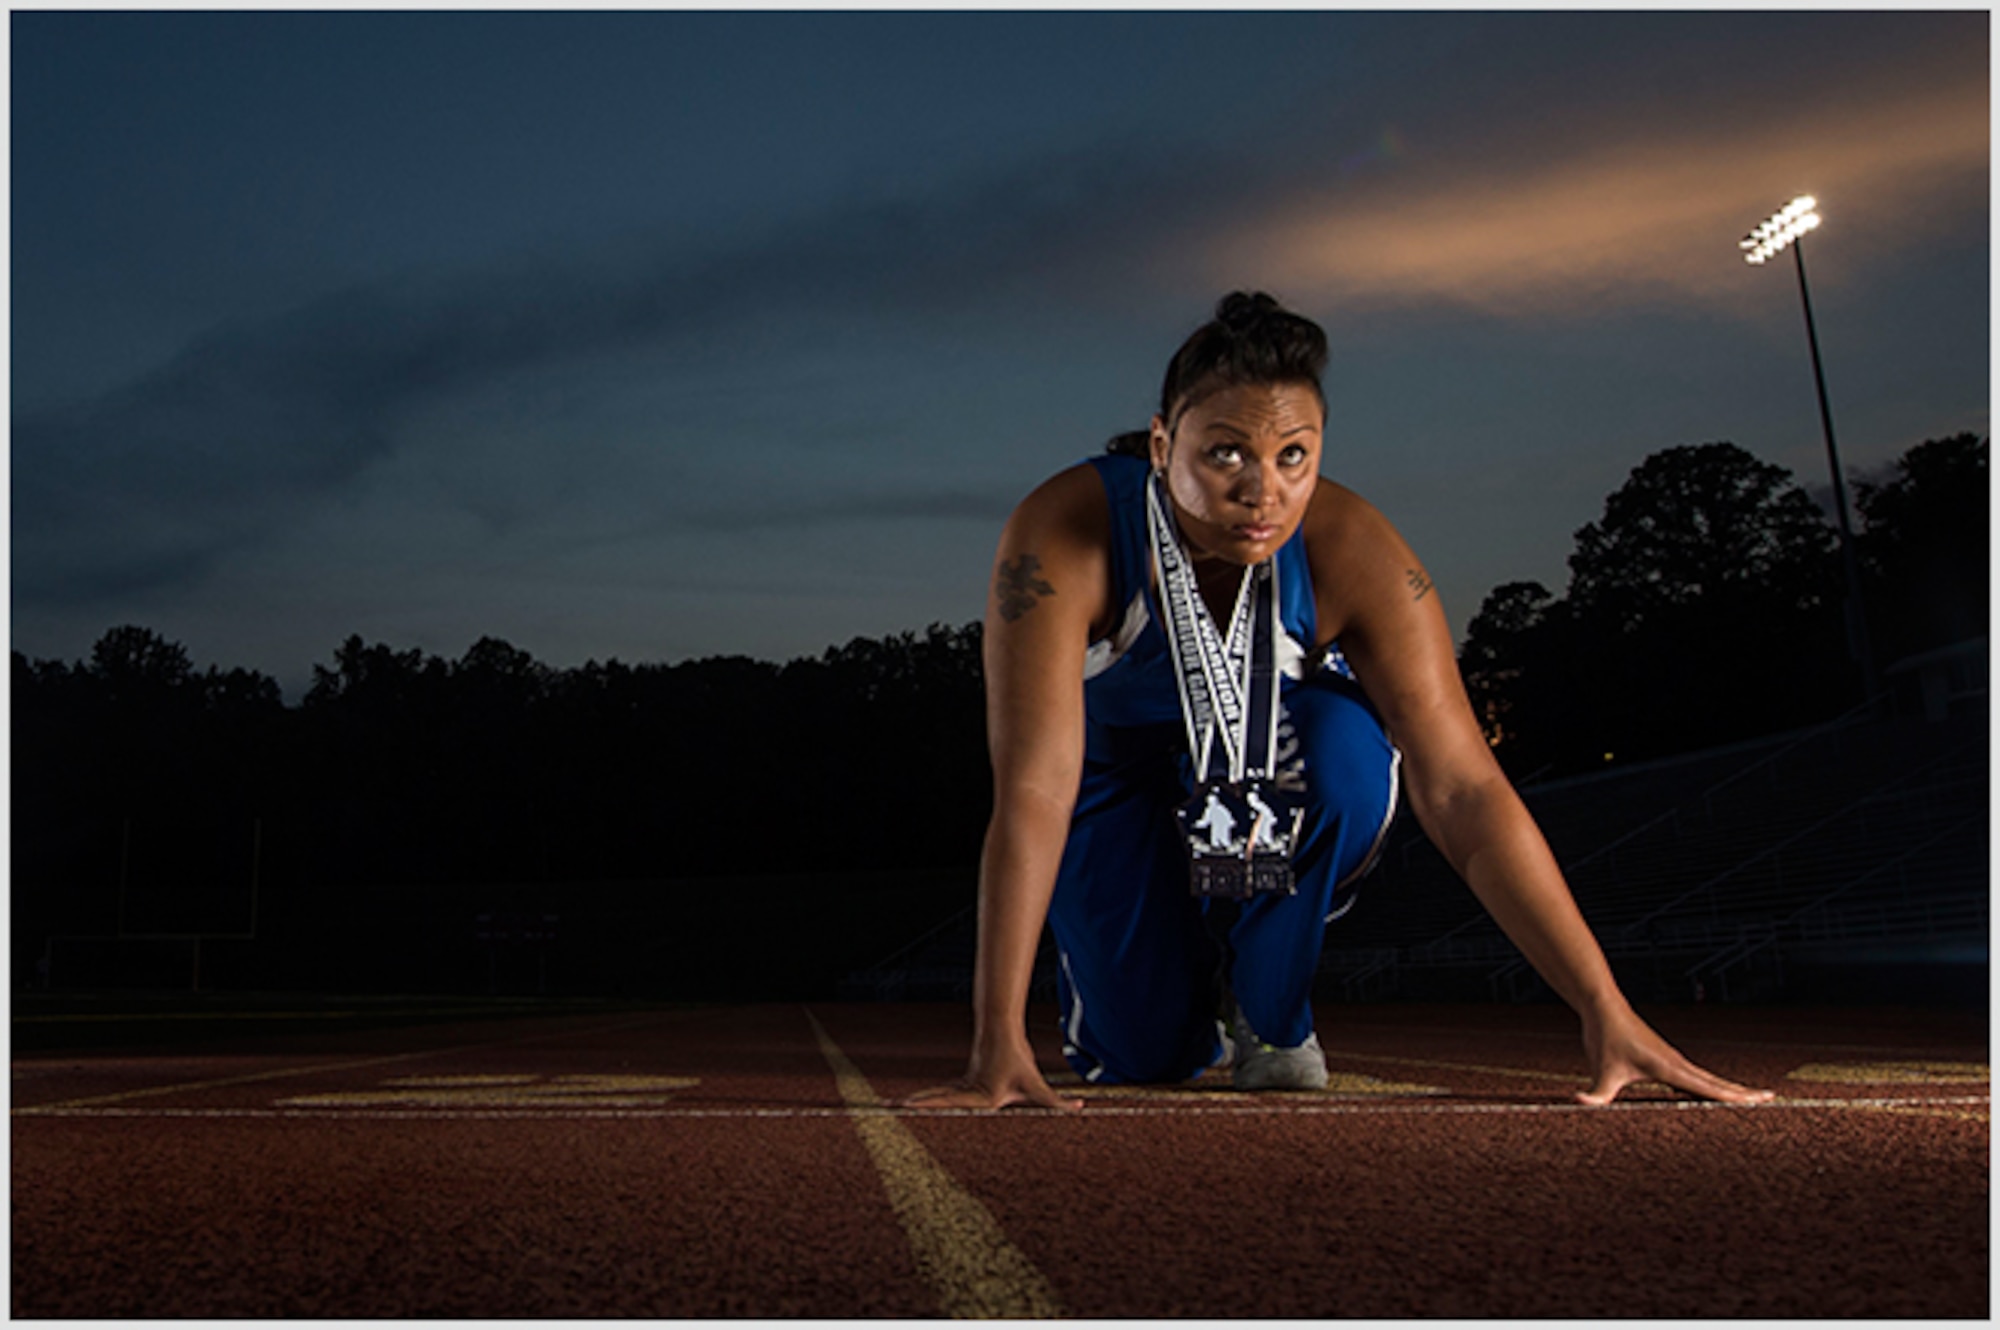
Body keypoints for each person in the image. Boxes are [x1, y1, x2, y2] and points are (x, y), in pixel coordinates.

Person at [912, 292, 1773, 1112]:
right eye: (1225, 455)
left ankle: (1266, 1000)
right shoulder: (1066, 532)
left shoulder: (1351, 545)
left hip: (1262, 772)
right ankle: (1161, 982)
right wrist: (997, 1040)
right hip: (1113, 781)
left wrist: (1602, 1007)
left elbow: (1464, 788)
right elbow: (1034, 786)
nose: (1264, 492)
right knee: (1146, 1057)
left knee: (1343, 754)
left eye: (1294, 456)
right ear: (1161, 442)